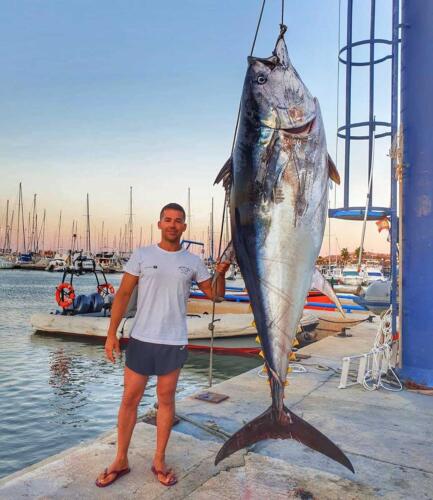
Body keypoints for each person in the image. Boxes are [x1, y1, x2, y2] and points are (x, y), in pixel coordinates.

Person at [95, 203, 229, 488]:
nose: (172, 225)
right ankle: (121, 459)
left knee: (166, 401)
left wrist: (223, 270)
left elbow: (216, 295)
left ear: (184, 227)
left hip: (173, 340)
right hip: (142, 338)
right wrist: (111, 334)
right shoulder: (143, 255)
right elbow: (123, 294)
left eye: (178, 221)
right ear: (159, 224)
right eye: (167, 220)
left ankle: (159, 460)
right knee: (129, 399)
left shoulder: (193, 262)